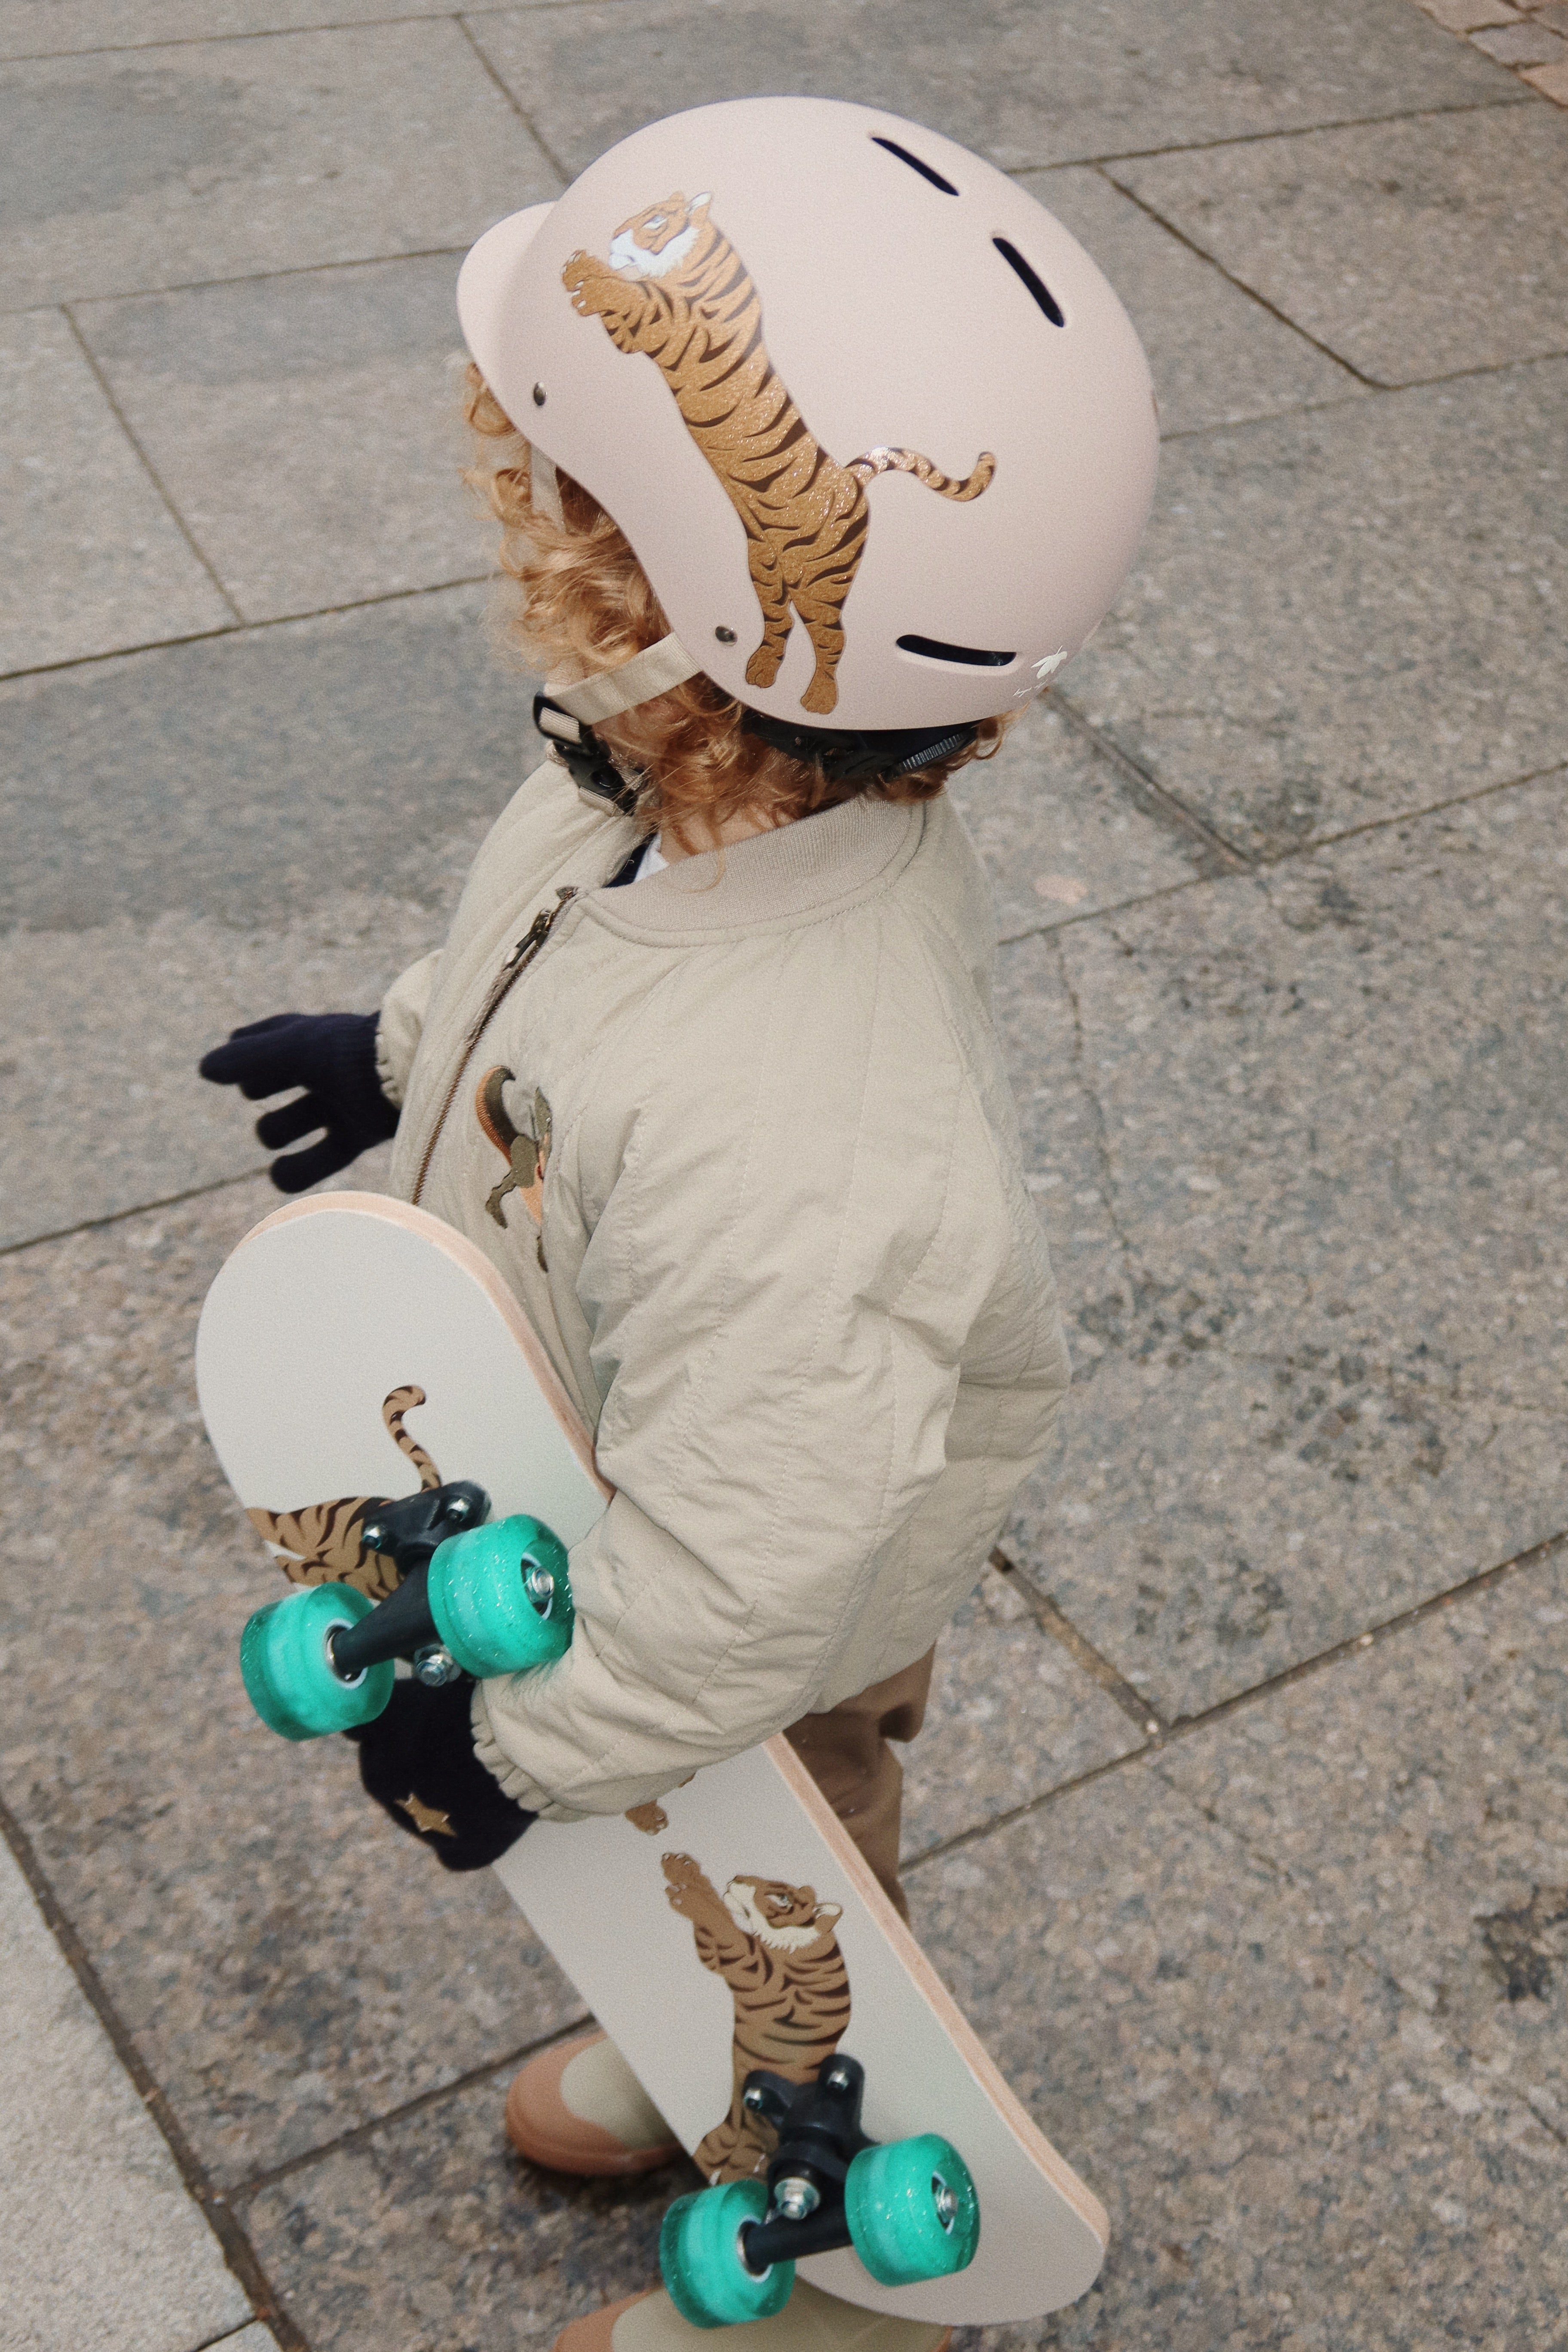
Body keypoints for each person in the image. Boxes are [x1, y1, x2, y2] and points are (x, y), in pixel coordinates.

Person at [201, 96, 1155, 2352]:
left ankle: (847, 2277)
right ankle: (698, 2025)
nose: (519, 516)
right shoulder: (680, 784)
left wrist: (516, 1750)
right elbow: (574, 988)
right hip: (656, 1475)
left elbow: (746, 1581)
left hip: (761, 1605)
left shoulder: (799, 1139)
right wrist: (410, 1048)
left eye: (555, 493)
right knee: (694, 1858)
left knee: (781, 1850)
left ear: (671, 598)